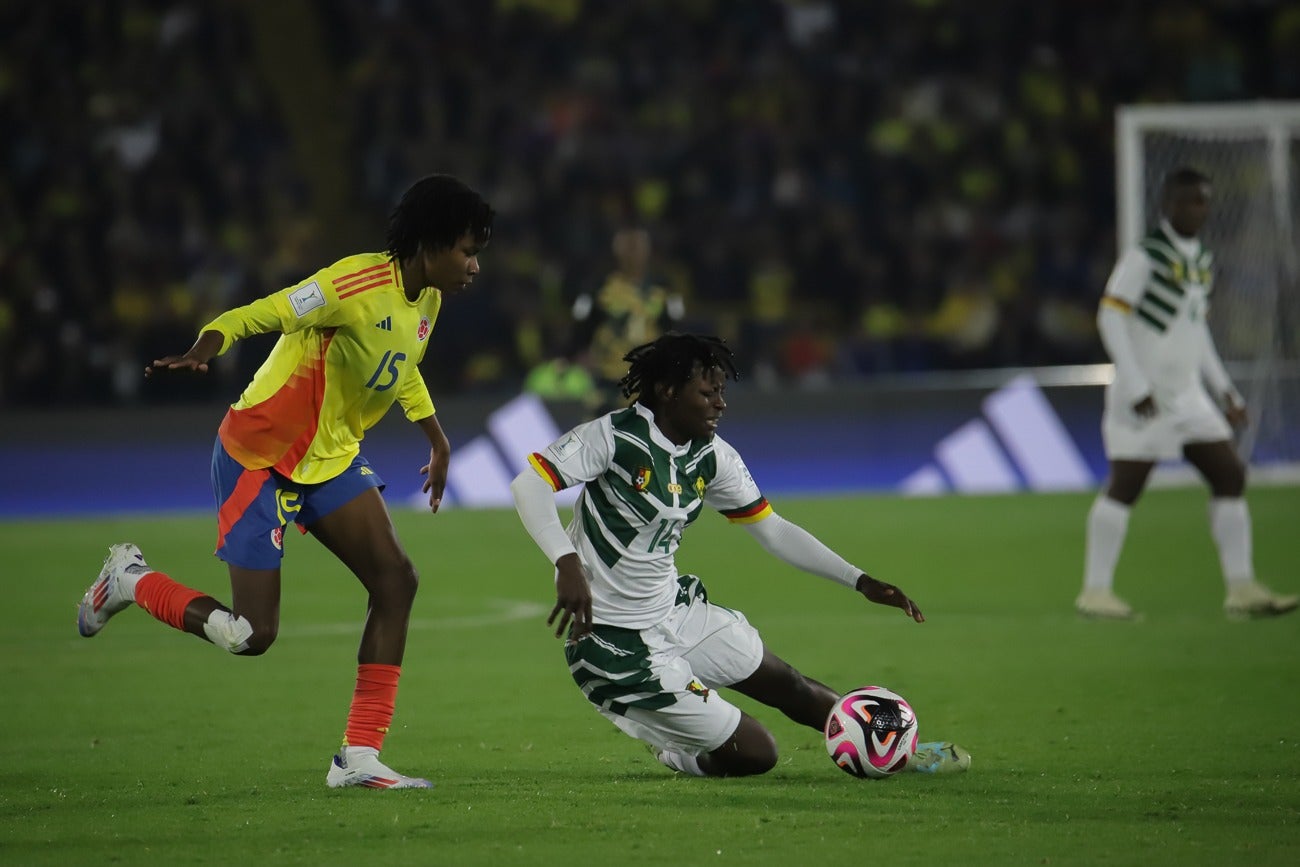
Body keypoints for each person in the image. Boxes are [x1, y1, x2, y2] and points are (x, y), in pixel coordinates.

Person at [76, 174, 495, 788]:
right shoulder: (350, 285)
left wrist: (436, 436)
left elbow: (400, 369)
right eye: (467, 250)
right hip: (259, 457)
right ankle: (130, 581)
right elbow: (262, 313)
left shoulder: (426, 300)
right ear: (429, 244)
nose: (475, 266)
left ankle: (358, 758)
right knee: (252, 636)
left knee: (396, 581)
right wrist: (206, 344)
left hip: (331, 460)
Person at [509, 332, 970, 778]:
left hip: (675, 614)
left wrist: (859, 580)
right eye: (707, 392)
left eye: (721, 392)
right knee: (757, 753)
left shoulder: (713, 456)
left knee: (789, 685)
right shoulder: (613, 437)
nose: (720, 403)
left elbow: (773, 530)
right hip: (614, 646)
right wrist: (565, 560)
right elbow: (529, 484)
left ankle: (891, 751)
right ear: (668, 391)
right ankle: (675, 753)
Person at [1076, 166, 1296, 620]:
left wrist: (1225, 392)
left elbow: (1195, 334)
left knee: (1230, 475)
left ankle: (1242, 588)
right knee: (1126, 486)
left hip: (1189, 397)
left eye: (1204, 201)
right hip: (1145, 396)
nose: (1199, 209)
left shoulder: (1200, 260)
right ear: (1167, 205)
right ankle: (1095, 592)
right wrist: (1134, 383)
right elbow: (1110, 316)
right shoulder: (1145, 256)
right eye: (1190, 200)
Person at [571, 226, 684, 416]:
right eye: (628, 246)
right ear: (617, 250)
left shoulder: (664, 288)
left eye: (638, 246)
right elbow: (581, 323)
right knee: (598, 431)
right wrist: (581, 352)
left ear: (647, 250)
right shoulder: (599, 286)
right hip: (607, 374)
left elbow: (674, 326)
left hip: (648, 375)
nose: (633, 253)